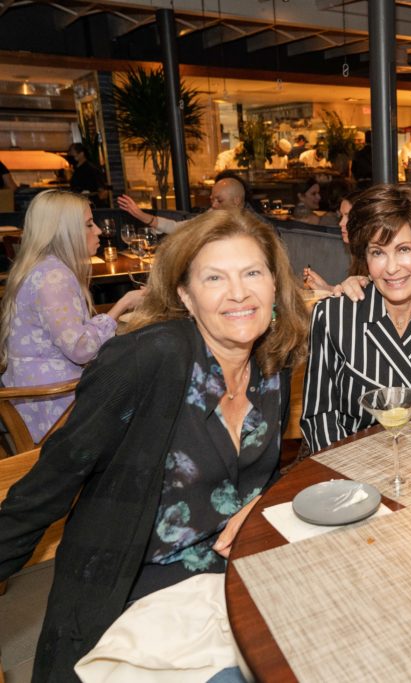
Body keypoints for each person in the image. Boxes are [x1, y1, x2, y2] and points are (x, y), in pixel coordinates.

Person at [0, 208, 308, 680]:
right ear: (185, 295)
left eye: (252, 273)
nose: (239, 293)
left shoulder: (272, 363)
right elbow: (49, 482)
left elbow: (262, 476)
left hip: (239, 576)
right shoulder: (149, 358)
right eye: (214, 278)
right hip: (144, 585)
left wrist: (263, 502)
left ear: (273, 285)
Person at [301, 184, 411, 452]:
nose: (391, 268)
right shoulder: (334, 316)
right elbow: (319, 416)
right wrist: (347, 480)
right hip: (353, 471)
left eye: (404, 249)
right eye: (378, 252)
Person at [0, 190, 143, 442]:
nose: (98, 230)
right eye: (89, 224)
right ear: (64, 232)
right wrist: (123, 304)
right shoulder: (53, 277)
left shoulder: (44, 267)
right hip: (55, 410)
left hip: (35, 398)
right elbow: (81, 349)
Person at [117, 175, 248, 235]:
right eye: (211, 199)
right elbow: (178, 228)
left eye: (219, 201)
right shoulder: (212, 214)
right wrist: (141, 215)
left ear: (236, 200)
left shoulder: (249, 225)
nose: (213, 205)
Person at [303, 194, 357, 291]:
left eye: (348, 216)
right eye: (341, 216)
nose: (341, 223)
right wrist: (326, 288)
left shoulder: (371, 256)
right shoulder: (357, 253)